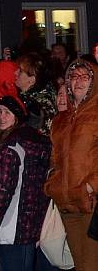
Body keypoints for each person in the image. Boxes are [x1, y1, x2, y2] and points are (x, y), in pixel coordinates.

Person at [0, 96, 51, 271]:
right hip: (28, 228)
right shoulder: (33, 145)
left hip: (10, 227)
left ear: (18, 118)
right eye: (0, 112)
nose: (1, 117)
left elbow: (0, 194)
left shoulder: (11, 149)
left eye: (7, 113)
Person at [44, 59, 98, 271]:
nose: (78, 82)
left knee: (91, 265)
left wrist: (91, 185)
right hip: (66, 203)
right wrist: (53, 185)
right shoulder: (60, 119)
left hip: (91, 204)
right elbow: (54, 158)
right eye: (74, 77)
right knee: (80, 265)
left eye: (85, 77)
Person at [14, 52, 57, 135]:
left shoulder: (37, 104)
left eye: (20, 71)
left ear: (32, 80)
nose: (15, 73)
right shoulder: (29, 97)